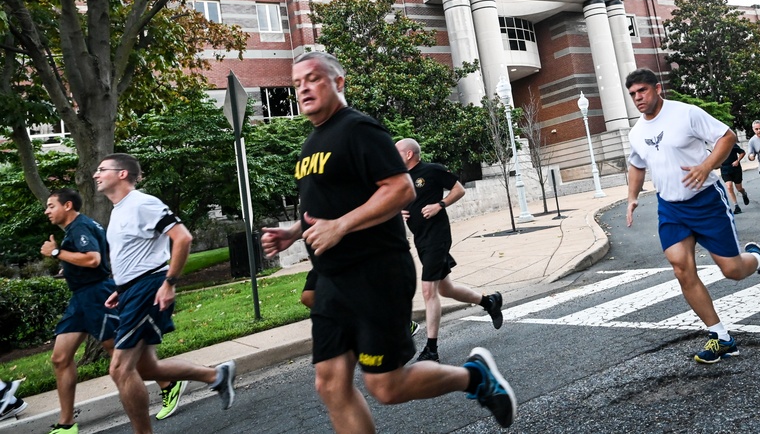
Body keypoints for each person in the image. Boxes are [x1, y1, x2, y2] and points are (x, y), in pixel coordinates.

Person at [260, 51, 515, 431]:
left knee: (386, 386)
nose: (303, 89)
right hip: (332, 279)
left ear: (338, 82)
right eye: (297, 83)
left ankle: (475, 377)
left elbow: (400, 189)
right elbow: (326, 206)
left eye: (313, 78)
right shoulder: (310, 144)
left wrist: (342, 226)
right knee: (330, 385)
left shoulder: (358, 130)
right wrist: (293, 232)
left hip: (374, 273)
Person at [624, 68, 760, 365]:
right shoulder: (636, 132)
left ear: (657, 88)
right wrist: (632, 197)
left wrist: (707, 165)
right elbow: (636, 165)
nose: (638, 98)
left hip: (707, 201)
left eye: (642, 91)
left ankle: (759, 260)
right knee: (681, 267)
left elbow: (727, 136)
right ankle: (721, 337)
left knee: (732, 271)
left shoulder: (686, 114)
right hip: (670, 207)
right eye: (632, 94)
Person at [94, 153, 236, 434]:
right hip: (133, 291)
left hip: (149, 289)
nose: (96, 174)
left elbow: (183, 237)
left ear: (122, 174)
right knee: (145, 369)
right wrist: (121, 290)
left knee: (120, 369)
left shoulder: (142, 203)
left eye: (102, 169)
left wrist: (169, 282)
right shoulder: (119, 209)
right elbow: (135, 255)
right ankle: (216, 374)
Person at [41, 188, 184, 433]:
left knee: (119, 353)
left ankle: (168, 383)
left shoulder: (80, 227)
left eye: (51, 205)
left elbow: (93, 260)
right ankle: (66, 424)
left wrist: (56, 253)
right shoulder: (76, 229)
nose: (47, 211)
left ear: (67, 206)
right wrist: (68, 265)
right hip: (80, 299)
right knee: (60, 358)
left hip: (97, 295)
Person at [395, 138, 504, 363]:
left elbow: (459, 189)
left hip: (438, 237)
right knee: (446, 289)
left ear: (408, 155)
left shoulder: (431, 170)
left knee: (428, 291)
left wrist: (440, 205)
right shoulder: (402, 179)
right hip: (421, 240)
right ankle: (489, 302)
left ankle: (431, 350)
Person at [719, 141, 750, 214]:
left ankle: (743, 194)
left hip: (735, 168)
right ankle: (736, 206)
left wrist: (737, 160)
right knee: (729, 187)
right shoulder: (716, 146)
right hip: (724, 169)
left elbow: (742, 152)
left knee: (739, 188)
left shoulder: (731, 144)